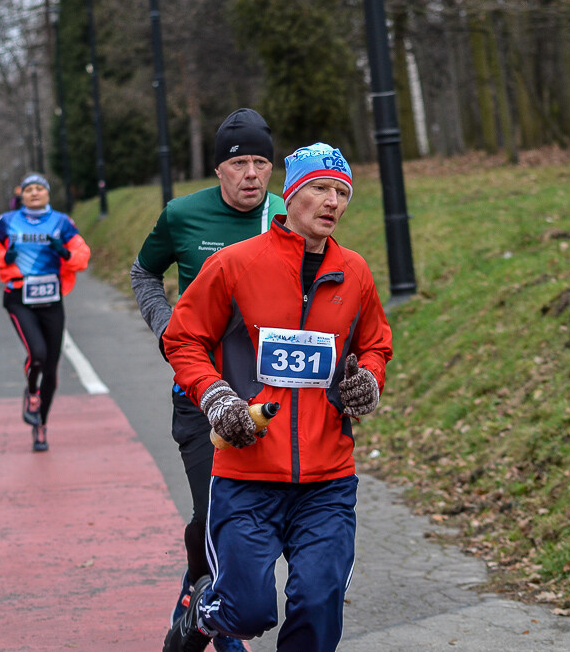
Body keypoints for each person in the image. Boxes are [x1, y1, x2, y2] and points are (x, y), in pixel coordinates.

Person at [161, 142, 393, 652]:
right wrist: (217, 398)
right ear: (290, 197)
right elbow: (183, 337)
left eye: (341, 192)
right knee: (246, 613)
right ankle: (202, 611)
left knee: (317, 608)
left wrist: (369, 378)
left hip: (327, 480)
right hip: (247, 475)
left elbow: (375, 342)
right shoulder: (235, 264)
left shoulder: (354, 272)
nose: (332, 202)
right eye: (320, 189)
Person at [130, 108, 284, 652]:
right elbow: (144, 270)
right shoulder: (182, 215)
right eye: (238, 162)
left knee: (246, 513)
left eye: (261, 162)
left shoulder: (285, 215)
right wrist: (167, 325)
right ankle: (221, 615)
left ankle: (198, 596)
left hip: (266, 396)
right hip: (198, 393)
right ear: (218, 169)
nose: (251, 174)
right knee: (214, 507)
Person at [0, 173, 90, 452]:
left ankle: (40, 425)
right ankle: (31, 392)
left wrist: (64, 254)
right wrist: (3, 258)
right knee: (37, 355)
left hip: (51, 299)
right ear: (21, 195)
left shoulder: (62, 222)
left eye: (39, 189)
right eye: (28, 189)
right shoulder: (8, 221)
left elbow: (81, 253)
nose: (33, 193)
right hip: (19, 297)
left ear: (47, 194)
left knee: (52, 372)